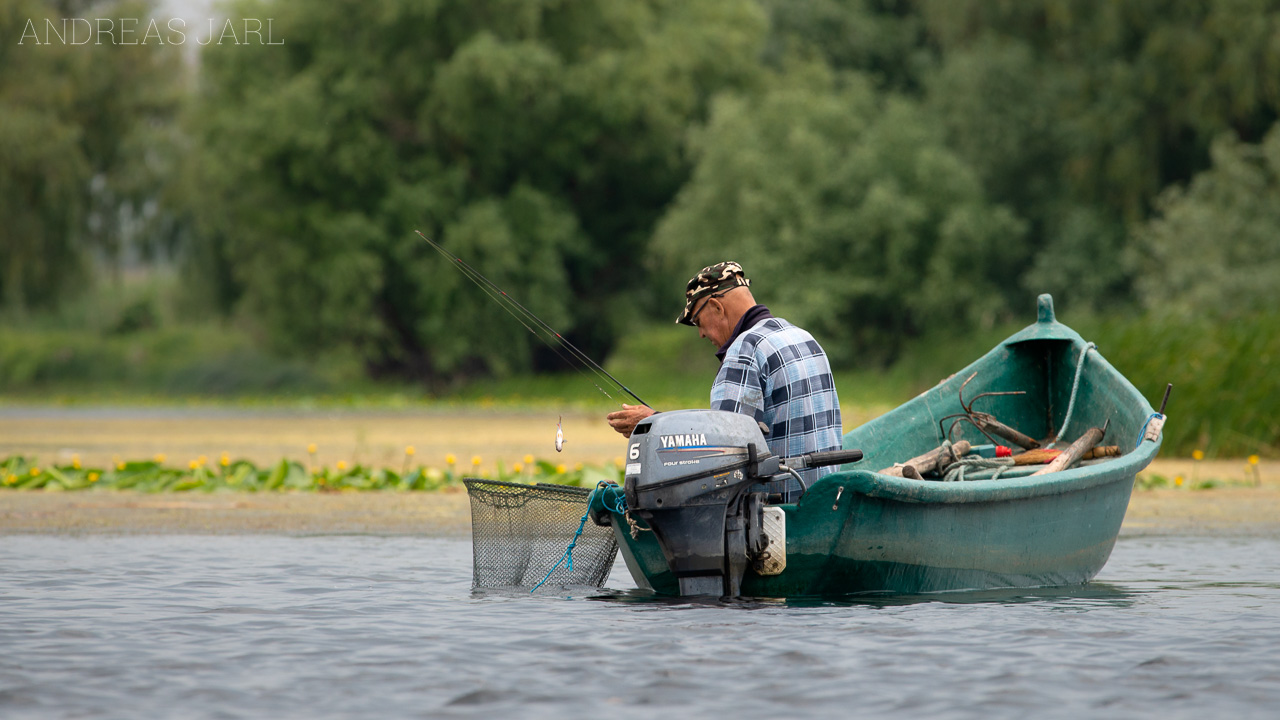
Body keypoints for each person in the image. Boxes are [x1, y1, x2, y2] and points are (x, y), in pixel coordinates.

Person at [607, 261, 843, 500]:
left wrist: (655, 425)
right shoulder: (804, 338)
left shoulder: (745, 350)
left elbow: (723, 452)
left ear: (716, 307)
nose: (700, 333)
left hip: (780, 515)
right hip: (823, 503)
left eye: (699, 322)